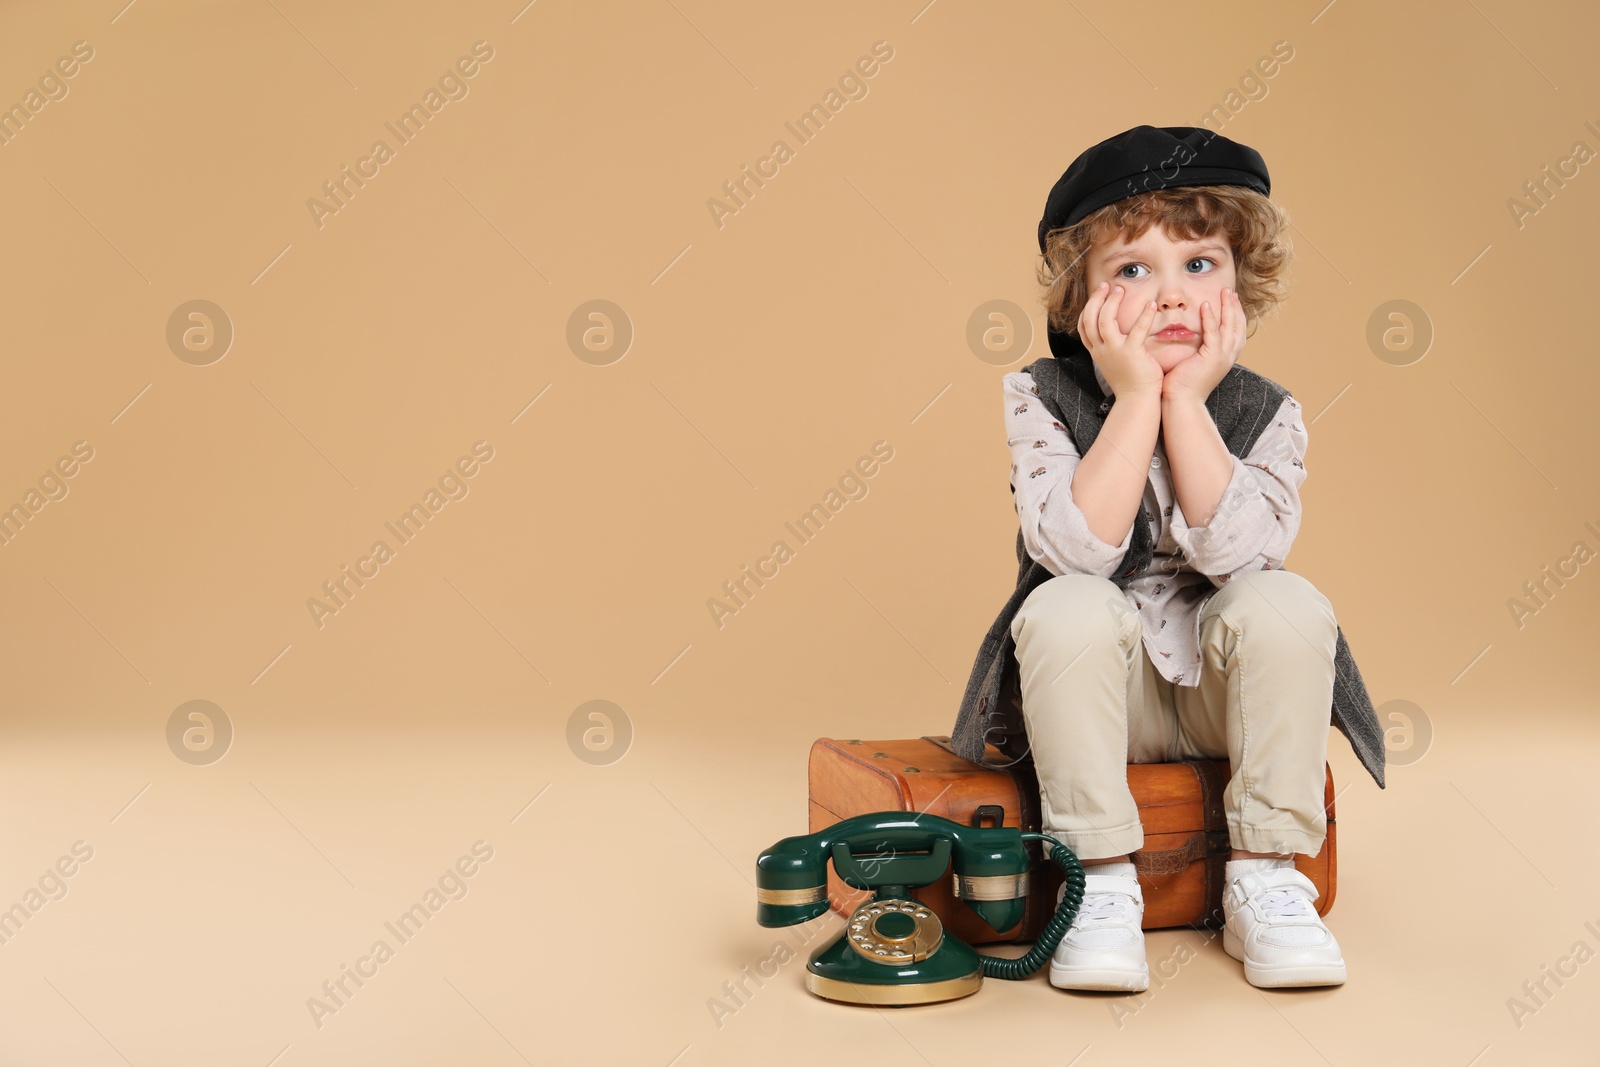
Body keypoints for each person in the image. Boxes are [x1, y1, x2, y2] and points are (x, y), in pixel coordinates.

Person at [974, 125, 1385, 992]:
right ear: (1077, 300)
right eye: (1131, 270)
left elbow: (1242, 555)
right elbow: (1076, 550)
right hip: (1099, 700)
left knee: (1288, 602)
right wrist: (1132, 399)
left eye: (1198, 264)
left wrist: (1188, 403)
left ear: (1241, 283)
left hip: (1218, 699)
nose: (1170, 296)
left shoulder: (1268, 412)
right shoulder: (1038, 398)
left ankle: (1268, 872)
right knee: (1064, 606)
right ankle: (1102, 882)